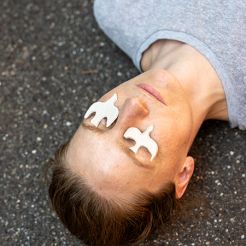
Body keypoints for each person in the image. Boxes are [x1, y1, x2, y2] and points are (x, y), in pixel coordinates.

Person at [47, 1, 246, 245]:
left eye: (101, 118)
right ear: (182, 174)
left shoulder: (117, 10)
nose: (133, 106)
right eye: (139, 144)